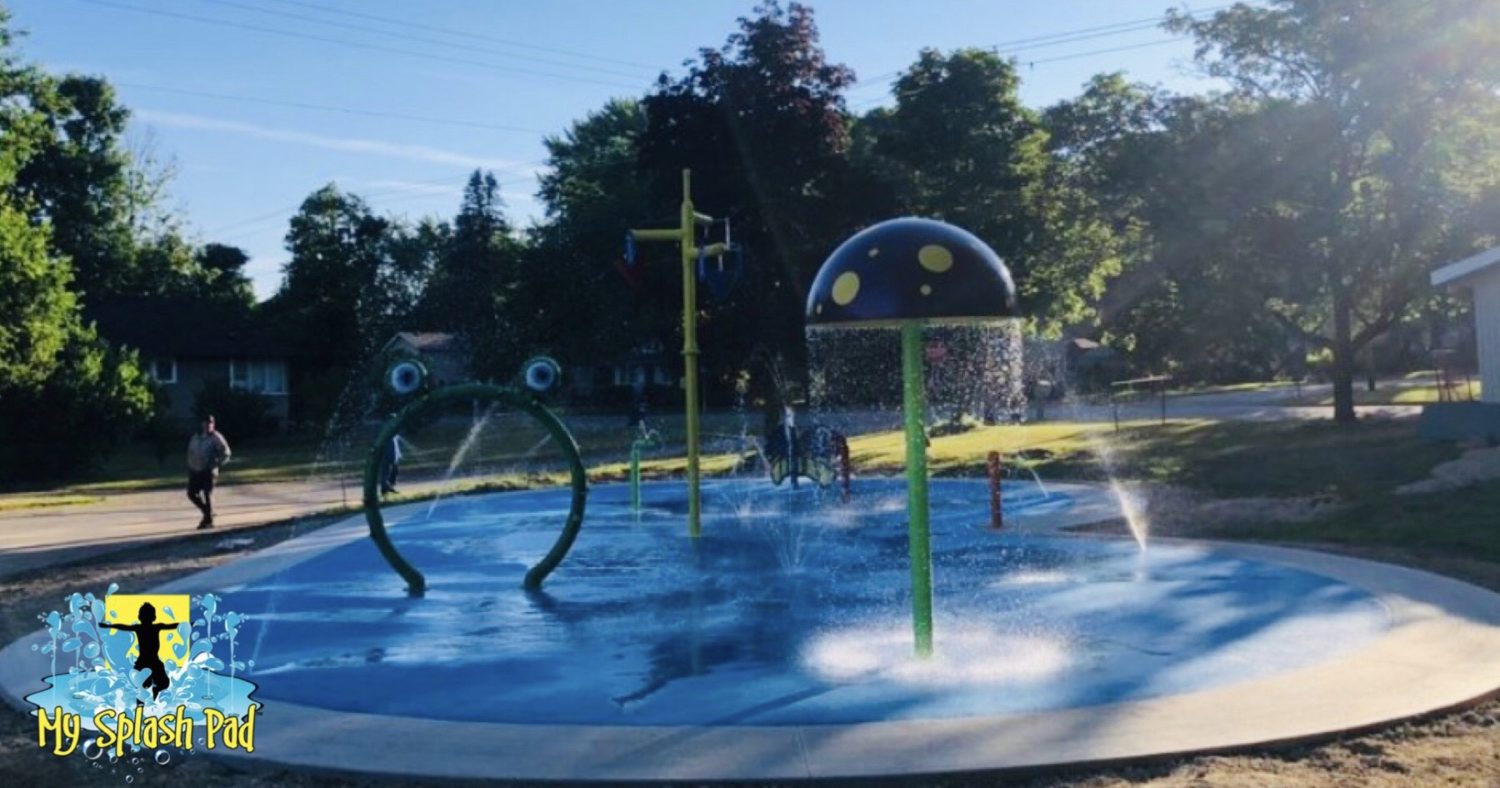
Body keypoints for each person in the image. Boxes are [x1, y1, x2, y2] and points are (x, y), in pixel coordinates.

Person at [99, 602, 176, 700]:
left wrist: (109, 626)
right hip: (151, 661)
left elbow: (123, 626)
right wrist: (188, 624)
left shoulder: (140, 628)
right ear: (154, 617)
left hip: (144, 662)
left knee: (145, 685)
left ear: (139, 617)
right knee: (161, 684)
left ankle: (148, 696)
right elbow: (173, 625)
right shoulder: (155, 627)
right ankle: (151, 694)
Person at [186, 415, 231, 529]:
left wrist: (216, 464)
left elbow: (226, 453)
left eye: (211, 423)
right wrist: (191, 464)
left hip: (208, 471)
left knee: (207, 493)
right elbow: (190, 451)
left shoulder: (216, 437)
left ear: (213, 424)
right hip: (195, 470)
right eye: (206, 423)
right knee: (191, 493)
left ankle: (208, 520)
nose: (208, 425)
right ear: (202, 424)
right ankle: (207, 513)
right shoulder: (196, 437)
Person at [380, 431, 402, 496]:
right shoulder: (387, 435)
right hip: (388, 455)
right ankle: (384, 488)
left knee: (395, 471)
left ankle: (390, 486)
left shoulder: (395, 434)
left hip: (395, 454)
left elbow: (396, 444)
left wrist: (398, 454)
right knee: (386, 471)